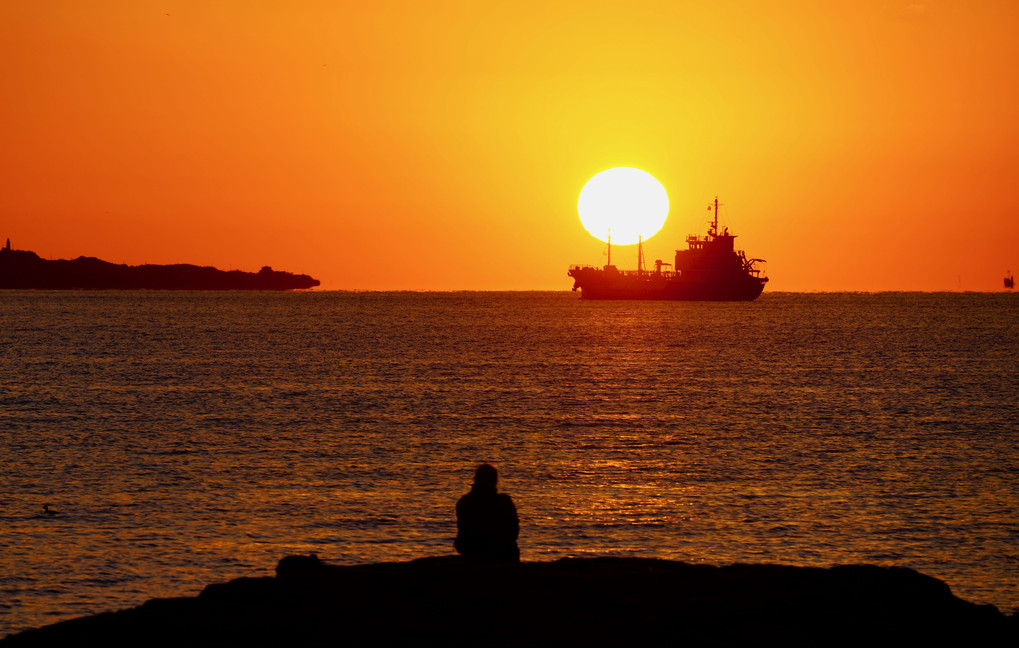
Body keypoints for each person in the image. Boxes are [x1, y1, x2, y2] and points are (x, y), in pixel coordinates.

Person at [454, 463, 519, 562]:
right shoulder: (503, 502)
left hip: (472, 549)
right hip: (500, 551)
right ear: (495, 481)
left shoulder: (465, 501)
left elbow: (463, 531)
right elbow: (514, 531)